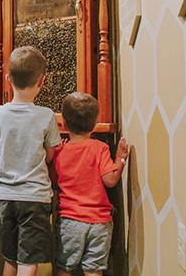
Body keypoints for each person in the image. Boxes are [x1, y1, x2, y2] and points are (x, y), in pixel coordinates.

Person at [0, 46, 61, 276]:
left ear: (8, 79)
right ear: (42, 80)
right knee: (29, 260)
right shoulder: (46, 116)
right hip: (34, 197)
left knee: (10, 256)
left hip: (5, 196)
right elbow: (49, 155)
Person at [53, 92, 128, 276]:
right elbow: (110, 180)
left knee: (64, 269)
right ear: (94, 123)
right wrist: (120, 159)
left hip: (70, 221)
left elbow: (54, 180)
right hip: (100, 222)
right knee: (94, 270)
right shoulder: (99, 148)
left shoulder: (60, 151)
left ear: (64, 123)